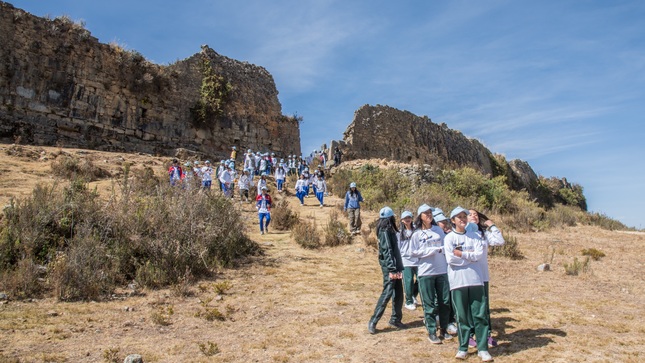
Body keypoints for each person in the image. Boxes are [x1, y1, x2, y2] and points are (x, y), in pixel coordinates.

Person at [444, 207, 492, 362]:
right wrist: (469, 258)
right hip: (458, 281)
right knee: (462, 316)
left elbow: (478, 255)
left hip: (476, 280)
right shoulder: (449, 238)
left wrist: (462, 254)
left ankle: (483, 348)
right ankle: (463, 347)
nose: (462, 219)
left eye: (464, 216)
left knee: (480, 314)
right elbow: (451, 259)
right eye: (459, 217)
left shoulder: (474, 236)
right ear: (453, 220)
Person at [409, 204, 452, 344]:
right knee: (429, 305)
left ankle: (444, 329)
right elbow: (412, 252)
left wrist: (441, 250)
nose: (429, 215)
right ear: (420, 216)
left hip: (441, 270)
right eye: (425, 213)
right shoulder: (416, 234)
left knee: (444, 302)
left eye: (430, 213)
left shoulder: (438, 230)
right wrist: (429, 251)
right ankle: (432, 331)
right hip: (425, 272)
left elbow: (447, 246)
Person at [467, 209, 505, 349]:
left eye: (476, 214)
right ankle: (469, 335)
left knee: (484, 307)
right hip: (468, 276)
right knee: (469, 307)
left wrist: (492, 226)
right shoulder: (463, 233)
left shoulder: (484, 234)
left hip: (483, 276)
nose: (474, 216)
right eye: (470, 214)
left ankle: (486, 334)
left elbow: (500, 241)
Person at [368, 206, 405, 334]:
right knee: (388, 292)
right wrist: (392, 269)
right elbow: (388, 251)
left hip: (395, 266)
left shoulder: (387, 229)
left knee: (399, 293)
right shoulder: (385, 230)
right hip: (391, 267)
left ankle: (395, 319)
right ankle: (373, 321)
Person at [397, 210, 419, 311]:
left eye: (409, 217)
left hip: (417, 259)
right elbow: (398, 247)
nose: (408, 219)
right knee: (408, 281)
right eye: (405, 218)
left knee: (420, 279)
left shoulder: (417, 231)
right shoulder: (399, 233)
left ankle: (413, 295)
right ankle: (408, 301)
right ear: (402, 220)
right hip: (406, 260)